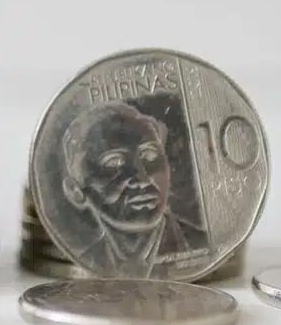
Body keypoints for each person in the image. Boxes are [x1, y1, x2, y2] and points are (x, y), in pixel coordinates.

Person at [60, 102, 202, 278]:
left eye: (149, 155)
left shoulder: (200, 244)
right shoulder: (88, 259)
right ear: (75, 191)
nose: (143, 180)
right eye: (114, 162)